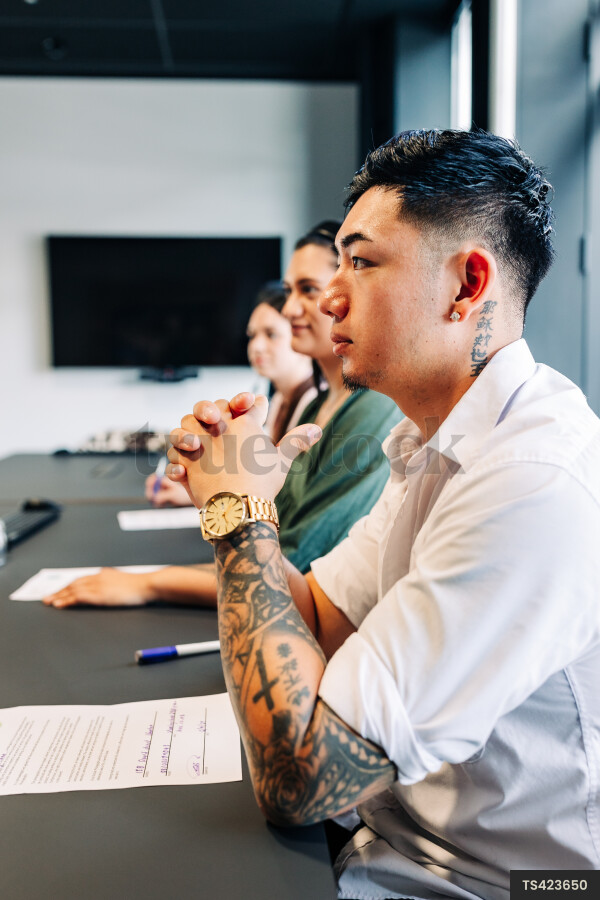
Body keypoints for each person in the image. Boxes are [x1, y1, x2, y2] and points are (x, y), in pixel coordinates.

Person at [166, 129, 600, 899]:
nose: (328, 298)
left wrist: (238, 514)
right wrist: (238, 502)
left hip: (501, 884)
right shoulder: (430, 441)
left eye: (360, 262)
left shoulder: (530, 480)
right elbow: (319, 620)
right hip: (392, 841)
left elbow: (300, 779)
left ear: (468, 286)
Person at [44, 224, 400, 608]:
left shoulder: (372, 410)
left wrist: (150, 584)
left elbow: (294, 559)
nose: (290, 309)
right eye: (289, 291)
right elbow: (271, 519)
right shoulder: (318, 407)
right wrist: (214, 492)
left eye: (307, 290)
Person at [145, 280, 317, 509]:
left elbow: (290, 501)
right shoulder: (278, 401)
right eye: (252, 335)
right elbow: (260, 486)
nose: (256, 346)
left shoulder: (314, 407)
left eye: (271, 334)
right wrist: (198, 491)